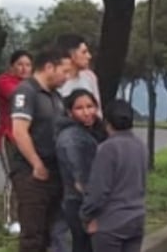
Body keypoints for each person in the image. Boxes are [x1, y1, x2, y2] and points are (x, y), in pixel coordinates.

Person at [10, 47, 73, 252]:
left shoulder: (56, 96)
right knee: (33, 233)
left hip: (54, 170)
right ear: (49, 67)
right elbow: (20, 131)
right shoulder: (26, 91)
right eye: (64, 71)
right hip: (31, 172)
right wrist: (36, 163)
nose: (67, 77)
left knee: (50, 232)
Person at [81, 99, 147, 252]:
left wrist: (86, 215)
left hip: (110, 222)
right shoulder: (140, 145)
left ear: (107, 122)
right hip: (136, 217)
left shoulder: (107, 149)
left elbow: (99, 190)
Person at [57, 90, 103, 252]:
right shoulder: (72, 138)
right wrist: (91, 214)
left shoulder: (92, 132)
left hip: (90, 202)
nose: (86, 112)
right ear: (69, 112)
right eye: (79, 108)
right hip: (79, 204)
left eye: (90, 106)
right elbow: (81, 179)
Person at [0, 50, 33, 236]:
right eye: (20, 64)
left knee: (27, 180)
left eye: (28, 65)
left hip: (27, 138)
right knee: (13, 178)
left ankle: (24, 217)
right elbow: (18, 96)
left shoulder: (31, 84)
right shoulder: (4, 81)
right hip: (7, 137)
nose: (24, 68)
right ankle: (10, 220)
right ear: (12, 66)